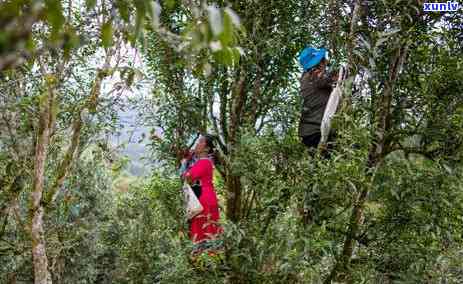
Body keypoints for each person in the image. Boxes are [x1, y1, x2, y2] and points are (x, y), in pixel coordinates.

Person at [182, 134, 223, 255]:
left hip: (203, 198)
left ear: (206, 148)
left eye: (200, 142)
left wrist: (184, 164)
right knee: (208, 227)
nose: (197, 144)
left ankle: (204, 259)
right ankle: (208, 258)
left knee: (203, 227)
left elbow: (188, 178)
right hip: (206, 196)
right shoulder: (203, 162)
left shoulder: (204, 162)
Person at [298, 47, 338, 153]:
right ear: (319, 63)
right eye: (323, 59)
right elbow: (330, 78)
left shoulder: (307, 77)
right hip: (315, 133)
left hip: (310, 132)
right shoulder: (313, 76)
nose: (326, 61)